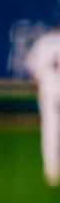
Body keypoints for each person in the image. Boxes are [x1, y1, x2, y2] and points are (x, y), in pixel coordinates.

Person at [28, 26, 60, 189]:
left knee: (50, 130)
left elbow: (33, 71)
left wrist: (39, 88)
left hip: (48, 91)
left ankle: (51, 172)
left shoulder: (43, 42)